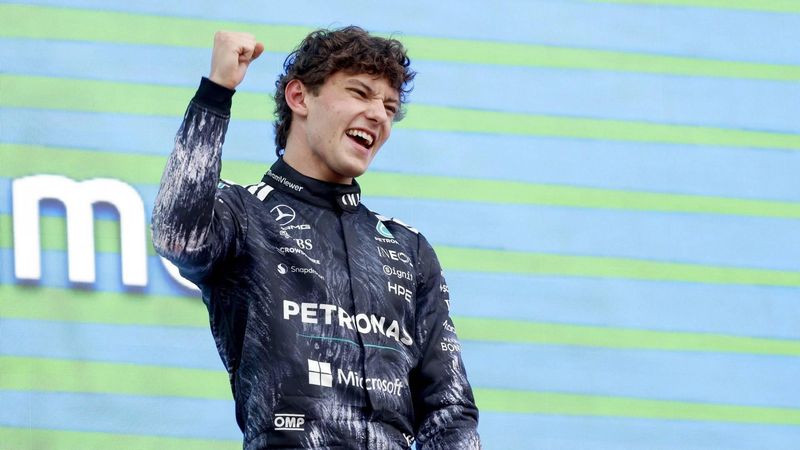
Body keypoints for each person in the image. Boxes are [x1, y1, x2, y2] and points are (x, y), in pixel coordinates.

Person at [152, 27, 480, 450]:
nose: (380, 114)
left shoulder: (409, 248)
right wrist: (216, 93)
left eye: (390, 106)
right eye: (361, 93)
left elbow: (448, 411)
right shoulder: (243, 214)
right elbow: (177, 233)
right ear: (299, 97)